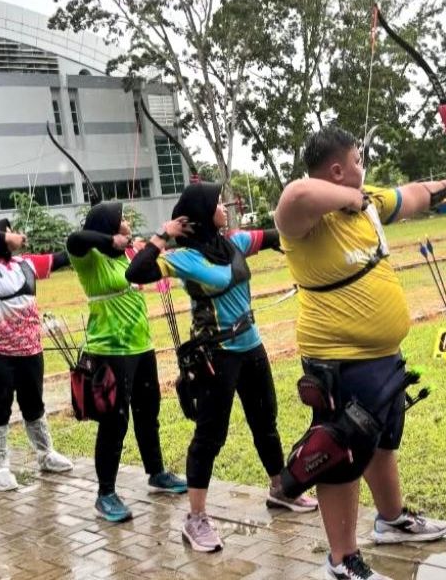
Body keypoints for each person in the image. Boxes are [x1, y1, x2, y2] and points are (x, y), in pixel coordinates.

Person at [274, 124, 446, 580]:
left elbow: (416, 194)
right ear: (338, 169)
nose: (365, 168)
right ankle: (341, 560)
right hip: (338, 361)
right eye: (358, 161)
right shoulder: (305, 221)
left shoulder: (368, 202)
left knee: (380, 442)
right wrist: (346, 197)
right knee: (339, 452)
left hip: (384, 356)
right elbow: (294, 196)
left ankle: (391, 519)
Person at [126, 181, 318, 552]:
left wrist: (314, 221)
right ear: (199, 216)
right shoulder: (184, 258)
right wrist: (164, 234)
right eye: (217, 204)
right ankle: (195, 519)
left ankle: (281, 490)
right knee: (210, 435)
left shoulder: (235, 244)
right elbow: (137, 272)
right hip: (216, 355)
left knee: (266, 421)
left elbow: (277, 235)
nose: (223, 208)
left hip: (251, 347)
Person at [66, 202, 186, 522]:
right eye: (121, 219)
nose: (127, 223)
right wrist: (108, 242)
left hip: (141, 345)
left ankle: (156, 473)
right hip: (110, 350)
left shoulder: (129, 256)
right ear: (108, 226)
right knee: (114, 421)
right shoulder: (90, 260)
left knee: (148, 412)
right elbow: (74, 240)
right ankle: (105, 493)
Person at [0, 219, 73, 492]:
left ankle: (45, 454)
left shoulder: (26, 264)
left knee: (33, 402)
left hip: (30, 348)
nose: (13, 236)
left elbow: (64, 256)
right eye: (7, 232)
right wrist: (4, 238)